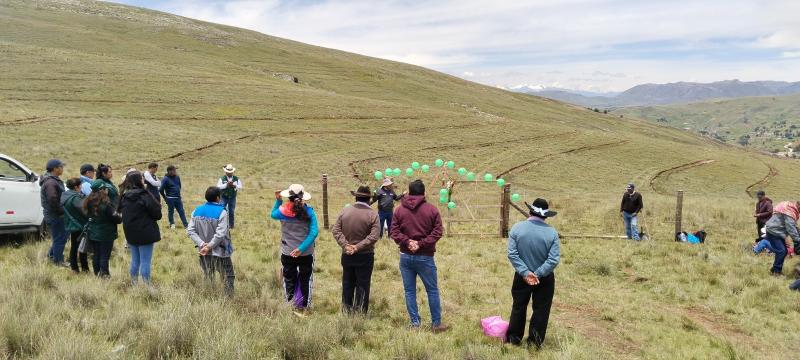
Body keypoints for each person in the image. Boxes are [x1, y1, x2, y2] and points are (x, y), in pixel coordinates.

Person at [390, 179, 448, 333]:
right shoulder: (432, 210)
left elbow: (394, 231)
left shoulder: (399, 210)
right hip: (425, 256)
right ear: (424, 193)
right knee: (432, 290)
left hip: (405, 255)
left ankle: (415, 323)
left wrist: (407, 242)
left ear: (409, 192)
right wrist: (421, 244)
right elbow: (438, 231)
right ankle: (436, 324)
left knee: (409, 291)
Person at [506, 198, 561, 348]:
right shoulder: (552, 233)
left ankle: (513, 339)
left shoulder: (517, 228)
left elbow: (512, 254)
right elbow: (553, 259)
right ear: (546, 216)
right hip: (545, 278)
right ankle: (534, 343)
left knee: (518, 306)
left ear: (530, 211)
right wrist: (538, 273)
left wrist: (526, 273)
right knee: (541, 310)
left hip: (521, 276)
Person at [332, 186, 380, 314]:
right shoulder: (373, 214)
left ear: (356, 197)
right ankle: (360, 313)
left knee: (347, 283)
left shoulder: (345, 211)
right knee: (363, 285)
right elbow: (374, 236)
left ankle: (346, 311)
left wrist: (346, 245)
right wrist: (357, 247)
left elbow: (336, 230)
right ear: (369, 199)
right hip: (365, 255)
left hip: (347, 254)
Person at [271, 184, 319, 311]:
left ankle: (290, 305)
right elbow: (314, 232)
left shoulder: (282, 211)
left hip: (287, 251)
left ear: (289, 197)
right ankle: (305, 306)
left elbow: (273, 214)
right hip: (306, 253)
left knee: (288, 279)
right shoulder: (309, 212)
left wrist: (278, 200)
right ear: (302, 197)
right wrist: (301, 249)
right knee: (306, 279)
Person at [188, 187, 235, 296]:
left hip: (203, 251)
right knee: (228, 276)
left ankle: (208, 296)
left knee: (208, 274)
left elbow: (190, 230)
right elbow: (221, 234)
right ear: (218, 198)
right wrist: (209, 246)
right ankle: (228, 299)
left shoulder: (196, 211)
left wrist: (201, 244)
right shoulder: (222, 212)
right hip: (221, 252)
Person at [119, 171, 162, 285]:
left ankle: (134, 284)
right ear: (139, 180)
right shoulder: (145, 195)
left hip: (130, 233)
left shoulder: (124, 196)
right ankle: (147, 286)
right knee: (145, 261)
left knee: (135, 260)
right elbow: (157, 215)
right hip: (145, 232)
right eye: (142, 178)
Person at [84, 181, 122, 278]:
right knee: (104, 255)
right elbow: (117, 219)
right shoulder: (105, 205)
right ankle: (105, 275)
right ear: (102, 190)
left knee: (96, 254)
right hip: (106, 234)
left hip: (93, 232)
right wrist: (120, 214)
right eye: (106, 188)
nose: (107, 190)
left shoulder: (88, 202)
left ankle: (97, 274)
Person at [41, 159, 68, 266]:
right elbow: (53, 199)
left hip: (54, 215)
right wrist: (62, 211)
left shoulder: (52, 180)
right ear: (55, 169)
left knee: (58, 237)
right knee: (60, 238)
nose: (62, 168)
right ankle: (58, 261)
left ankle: (52, 256)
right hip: (55, 215)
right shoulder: (51, 182)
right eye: (61, 167)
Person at [763, 201, 800, 275]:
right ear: (799, 206)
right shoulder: (790, 212)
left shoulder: (789, 208)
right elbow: (790, 228)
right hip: (774, 232)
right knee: (781, 251)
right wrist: (797, 241)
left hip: (776, 231)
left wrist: (798, 231)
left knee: (784, 251)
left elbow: (793, 225)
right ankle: (776, 272)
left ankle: (774, 269)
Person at [61, 178, 89, 273]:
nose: (81, 187)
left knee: (74, 246)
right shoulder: (75, 198)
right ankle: (84, 268)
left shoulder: (65, 195)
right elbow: (84, 210)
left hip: (71, 224)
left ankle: (74, 268)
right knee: (82, 247)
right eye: (80, 185)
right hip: (79, 224)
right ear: (76, 187)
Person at [160, 165, 188, 229]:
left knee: (181, 211)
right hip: (170, 198)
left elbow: (179, 186)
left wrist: (177, 193)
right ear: (169, 171)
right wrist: (165, 197)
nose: (175, 171)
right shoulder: (165, 179)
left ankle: (186, 224)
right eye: (174, 170)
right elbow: (161, 190)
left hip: (178, 198)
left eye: (175, 170)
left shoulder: (177, 177)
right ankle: (172, 224)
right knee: (171, 211)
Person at [217, 164, 242, 229]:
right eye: (228, 172)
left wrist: (234, 186)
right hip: (223, 197)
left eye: (230, 172)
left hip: (232, 197)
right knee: (221, 211)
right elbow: (218, 187)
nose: (229, 173)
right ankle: (220, 224)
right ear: (226, 172)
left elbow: (240, 187)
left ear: (232, 172)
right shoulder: (221, 179)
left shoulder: (236, 179)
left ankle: (231, 225)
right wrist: (226, 185)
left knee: (231, 211)